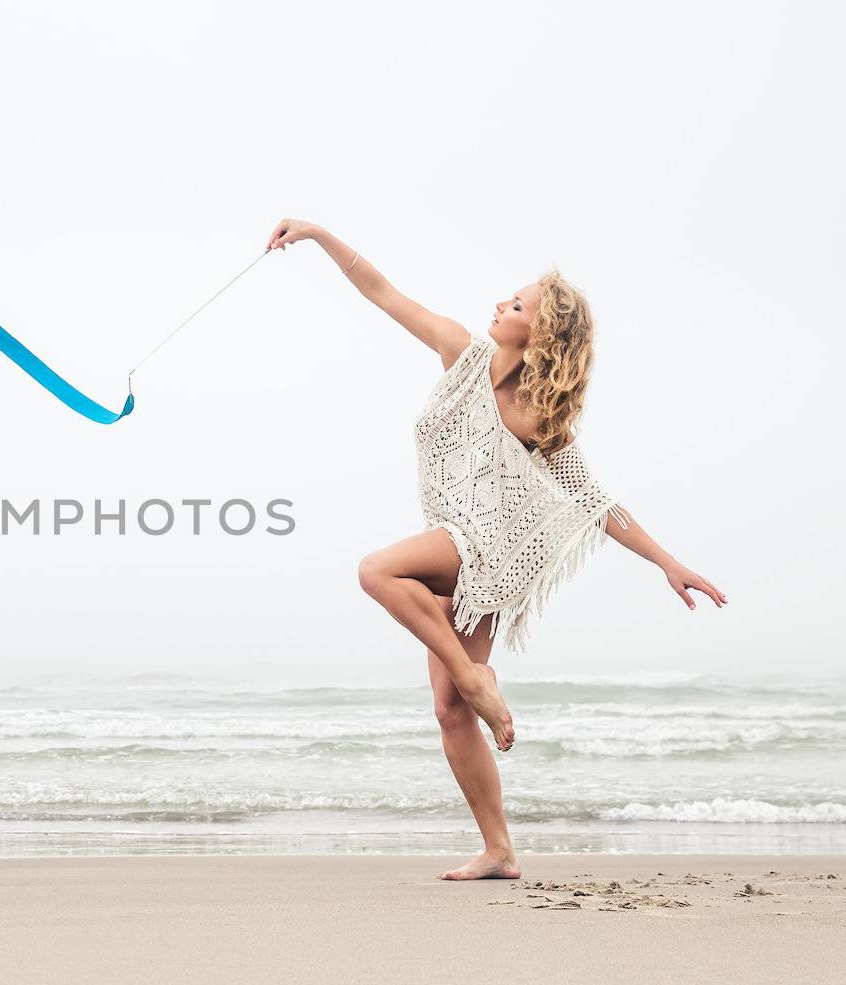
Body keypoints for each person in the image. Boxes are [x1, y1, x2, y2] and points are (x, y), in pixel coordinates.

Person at [265, 218, 728, 880]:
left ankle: (480, 679)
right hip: (456, 541)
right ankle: (500, 849)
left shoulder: (540, 417)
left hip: (491, 550)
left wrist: (668, 563)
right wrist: (315, 233)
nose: (498, 306)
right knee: (450, 712)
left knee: (377, 571)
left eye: (515, 306)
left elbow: (598, 505)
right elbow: (382, 290)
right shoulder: (460, 353)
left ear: (538, 333)